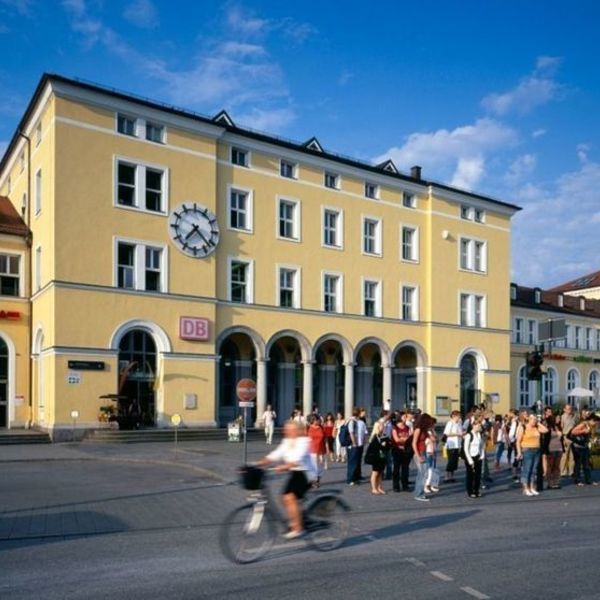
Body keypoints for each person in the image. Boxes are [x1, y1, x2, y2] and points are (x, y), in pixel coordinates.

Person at [258, 420, 318, 539]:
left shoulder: (304, 441)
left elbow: (297, 459)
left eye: (289, 429)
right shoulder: (287, 441)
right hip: (295, 473)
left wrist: (284, 466)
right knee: (284, 497)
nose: (286, 431)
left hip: (306, 473)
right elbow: (276, 454)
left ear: (296, 430)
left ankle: (298, 529)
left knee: (289, 497)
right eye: (286, 429)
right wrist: (258, 463)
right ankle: (296, 519)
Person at [516, 414, 548, 496]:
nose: (535, 421)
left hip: (537, 449)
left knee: (534, 470)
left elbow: (546, 430)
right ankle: (526, 488)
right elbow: (518, 441)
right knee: (527, 469)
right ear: (529, 420)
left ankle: (532, 487)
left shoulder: (536, 427)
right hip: (527, 449)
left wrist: (538, 423)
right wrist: (519, 452)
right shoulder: (523, 427)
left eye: (536, 419)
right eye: (533, 419)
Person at [570, 412, 599, 487]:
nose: (596, 424)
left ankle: (588, 480)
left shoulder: (590, 426)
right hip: (577, 446)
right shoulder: (583, 424)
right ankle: (577, 480)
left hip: (584, 446)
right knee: (578, 464)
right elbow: (573, 431)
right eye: (596, 422)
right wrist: (583, 431)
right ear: (592, 420)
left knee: (587, 464)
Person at [412, 413, 436, 502]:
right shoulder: (418, 429)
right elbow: (414, 443)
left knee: (423, 474)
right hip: (419, 452)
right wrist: (418, 456)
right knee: (421, 475)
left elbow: (433, 439)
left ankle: (419, 493)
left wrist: (431, 431)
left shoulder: (425, 430)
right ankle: (418, 494)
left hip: (424, 452)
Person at [365, 417, 390, 494]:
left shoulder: (384, 435)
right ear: (378, 427)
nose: (383, 427)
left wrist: (386, 445)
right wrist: (382, 445)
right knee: (375, 472)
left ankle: (379, 487)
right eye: (381, 426)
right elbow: (374, 447)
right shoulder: (375, 436)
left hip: (382, 457)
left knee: (380, 472)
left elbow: (388, 446)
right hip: (375, 457)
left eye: (383, 426)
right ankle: (374, 488)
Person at [463, 419, 485, 498]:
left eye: (480, 425)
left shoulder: (479, 434)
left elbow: (482, 445)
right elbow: (466, 449)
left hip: (478, 456)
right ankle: (470, 491)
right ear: (474, 426)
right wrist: (470, 460)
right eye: (478, 425)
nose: (480, 427)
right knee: (470, 475)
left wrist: (482, 455)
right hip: (470, 457)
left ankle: (476, 490)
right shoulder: (469, 435)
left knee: (478, 475)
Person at [392, 411, 412, 492]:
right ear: (400, 418)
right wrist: (405, 439)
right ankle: (396, 486)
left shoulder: (407, 427)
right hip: (397, 450)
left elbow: (410, 437)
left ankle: (405, 485)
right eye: (404, 417)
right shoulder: (395, 428)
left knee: (405, 468)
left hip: (406, 450)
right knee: (396, 468)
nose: (406, 418)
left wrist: (404, 439)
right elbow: (397, 440)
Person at [347, 407, 367, 485]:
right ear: (359, 413)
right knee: (352, 462)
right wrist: (354, 443)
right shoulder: (351, 421)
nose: (363, 414)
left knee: (357, 461)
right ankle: (350, 479)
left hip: (360, 444)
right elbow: (351, 432)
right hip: (353, 445)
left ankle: (356, 477)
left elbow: (365, 432)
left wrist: (364, 441)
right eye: (361, 412)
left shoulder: (361, 422)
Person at [542, 415, 563, 489]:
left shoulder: (558, 427)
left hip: (559, 448)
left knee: (557, 467)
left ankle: (556, 482)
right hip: (551, 449)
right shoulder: (548, 429)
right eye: (555, 419)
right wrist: (545, 451)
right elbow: (546, 441)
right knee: (550, 467)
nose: (557, 420)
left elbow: (561, 438)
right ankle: (550, 483)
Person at [443, 410, 463, 482]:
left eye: (459, 416)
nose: (459, 417)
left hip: (458, 444)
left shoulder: (459, 423)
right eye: (458, 416)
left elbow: (460, 432)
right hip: (451, 444)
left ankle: (451, 476)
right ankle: (446, 476)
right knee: (450, 461)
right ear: (454, 416)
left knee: (455, 461)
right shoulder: (450, 423)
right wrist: (457, 434)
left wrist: (462, 434)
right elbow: (447, 433)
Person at [559, 403, 578, 477]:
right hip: (565, 437)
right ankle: (563, 472)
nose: (569, 410)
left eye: (570, 408)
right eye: (568, 409)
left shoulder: (573, 417)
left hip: (573, 438)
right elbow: (561, 428)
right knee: (564, 456)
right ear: (564, 409)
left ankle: (571, 471)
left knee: (572, 456)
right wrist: (562, 439)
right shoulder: (562, 417)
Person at [307, 415, 326, 486]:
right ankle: (314, 480)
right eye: (315, 420)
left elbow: (325, 438)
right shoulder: (309, 427)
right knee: (313, 465)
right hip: (312, 449)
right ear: (312, 420)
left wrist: (326, 447)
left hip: (321, 448)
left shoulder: (321, 427)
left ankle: (318, 477)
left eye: (317, 420)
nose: (317, 421)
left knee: (320, 464)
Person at [424, 419, 439, 493]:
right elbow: (433, 439)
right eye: (433, 424)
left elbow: (436, 439)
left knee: (433, 469)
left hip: (434, 451)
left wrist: (435, 439)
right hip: (429, 451)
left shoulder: (433, 431)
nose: (434, 425)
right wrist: (434, 438)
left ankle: (432, 484)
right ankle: (426, 485)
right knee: (429, 469)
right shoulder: (428, 431)